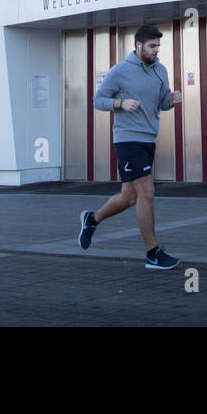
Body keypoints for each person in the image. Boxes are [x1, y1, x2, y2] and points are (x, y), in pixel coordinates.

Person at [78, 24, 183, 269]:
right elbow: (98, 101)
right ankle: (152, 254)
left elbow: (160, 103)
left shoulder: (161, 71)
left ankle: (91, 219)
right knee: (147, 193)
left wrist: (171, 101)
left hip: (148, 139)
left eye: (158, 46)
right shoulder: (120, 71)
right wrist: (121, 103)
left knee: (129, 197)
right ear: (138, 45)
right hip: (127, 139)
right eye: (152, 46)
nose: (156, 50)